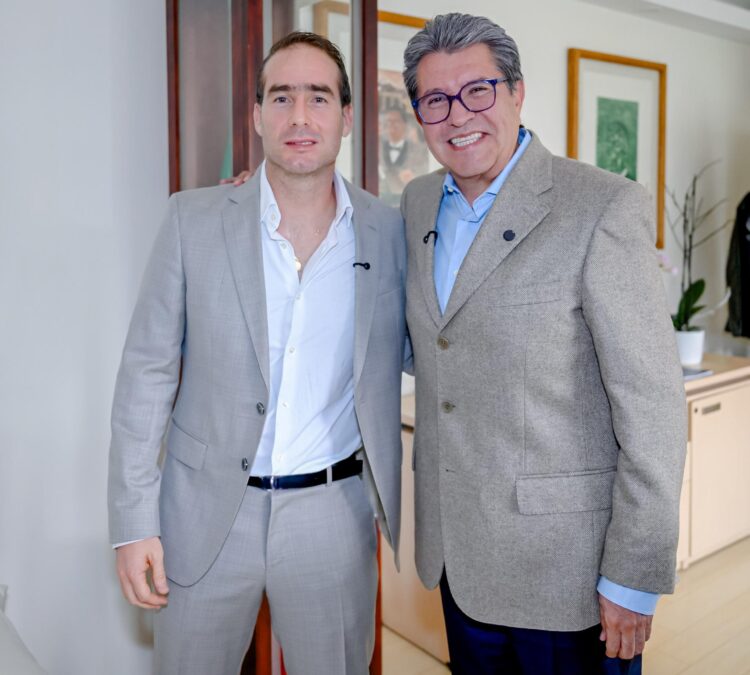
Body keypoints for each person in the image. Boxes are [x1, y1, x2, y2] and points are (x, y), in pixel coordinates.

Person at [108, 31, 408, 675]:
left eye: (318, 97)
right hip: (203, 515)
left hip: (333, 517)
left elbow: (425, 348)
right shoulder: (192, 220)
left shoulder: (389, 234)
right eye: (281, 97)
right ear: (257, 115)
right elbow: (146, 376)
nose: (299, 116)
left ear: (346, 117)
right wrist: (133, 523)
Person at [399, 13, 686, 674]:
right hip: (460, 560)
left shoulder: (601, 206)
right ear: (419, 115)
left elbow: (653, 409)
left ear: (517, 91)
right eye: (435, 100)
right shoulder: (416, 204)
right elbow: (431, 342)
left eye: (478, 90)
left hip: (569, 579)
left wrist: (632, 577)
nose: (458, 115)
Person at [379, 105, 429, 207]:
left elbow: (425, 174)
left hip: (410, 203)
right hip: (380, 202)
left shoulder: (419, 150)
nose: (391, 125)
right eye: (388, 122)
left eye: (395, 121)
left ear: (405, 124)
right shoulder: (376, 149)